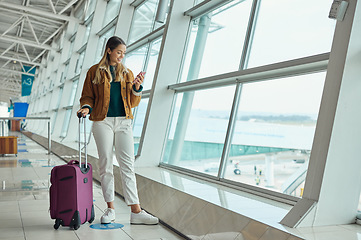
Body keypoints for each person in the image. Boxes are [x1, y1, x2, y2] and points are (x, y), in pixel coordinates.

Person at [77, 36, 158, 225]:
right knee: (106, 165)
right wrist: (86, 108)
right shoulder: (94, 72)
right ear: (109, 50)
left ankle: (136, 211)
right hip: (102, 122)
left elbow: (133, 102)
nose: (122, 55)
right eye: (119, 52)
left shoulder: (127, 73)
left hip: (124, 122)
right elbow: (87, 96)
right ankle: (110, 209)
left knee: (127, 165)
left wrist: (137, 87)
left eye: (124, 52)